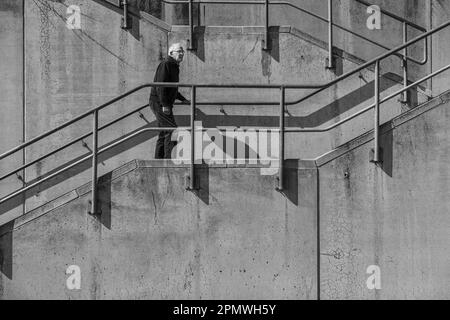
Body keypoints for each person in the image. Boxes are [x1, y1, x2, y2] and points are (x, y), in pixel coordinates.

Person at [150, 43, 190, 159]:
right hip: (159, 102)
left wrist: (183, 99)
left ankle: (159, 160)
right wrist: (165, 105)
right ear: (171, 53)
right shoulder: (166, 64)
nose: (182, 53)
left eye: (183, 51)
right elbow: (161, 86)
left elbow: (172, 88)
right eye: (179, 51)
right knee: (172, 130)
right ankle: (169, 160)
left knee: (164, 132)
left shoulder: (174, 66)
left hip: (162, 102)